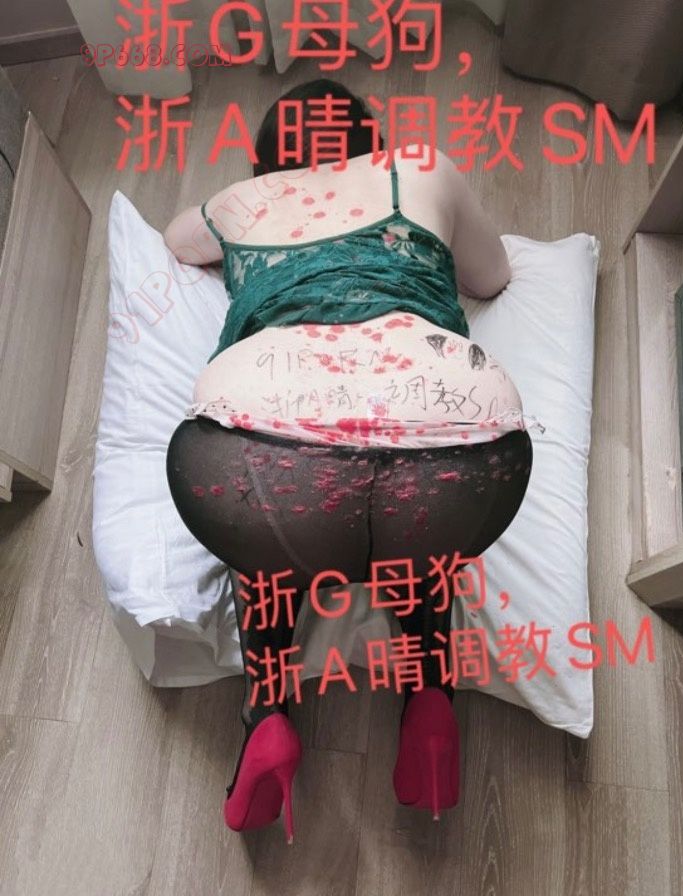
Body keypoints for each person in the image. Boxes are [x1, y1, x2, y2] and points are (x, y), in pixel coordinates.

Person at [163, 77, 542, 843]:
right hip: (458, 451)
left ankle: (268, 715)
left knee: (268, 553)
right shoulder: (421, 166)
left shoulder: (241, 200)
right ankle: (431, 699)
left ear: (267, 164)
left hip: (270, 447)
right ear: (373, 143)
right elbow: (494, 275)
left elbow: (176, 240)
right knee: (417, 520)